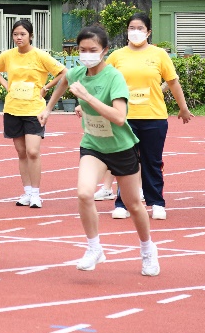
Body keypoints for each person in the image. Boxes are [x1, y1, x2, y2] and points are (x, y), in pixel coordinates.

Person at [40, 26, 160, 276]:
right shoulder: (77, 73)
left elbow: (119, 117)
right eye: (82, 50)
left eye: (92, 50)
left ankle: (148, 250)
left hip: (121, 147)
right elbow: (64, 81)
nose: (87, 55)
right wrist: (48, 108)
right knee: (84, 194)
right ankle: (94, 248)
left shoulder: (114, 77)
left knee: (134, 204)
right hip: (93, 145)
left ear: (105, 51)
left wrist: (88, 99)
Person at [106, 13, 193, 221]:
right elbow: (104, 83)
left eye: (140, 28)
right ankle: (123, 203)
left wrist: (183, 108)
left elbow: (172, 82)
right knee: (125, 162)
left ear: (149, 32)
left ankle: (156, 202)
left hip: (153, 117)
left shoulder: (159, 54)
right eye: (131, 28)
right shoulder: (117, 56)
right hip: (124, 118)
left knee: (152, 162)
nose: (135, 32)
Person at [0, 19, 65, 208]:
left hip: (34, 110)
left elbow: (63, 72)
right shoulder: (8, 55)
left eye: (23, 34)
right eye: (15, 34)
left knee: (32, 151)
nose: (19, 37)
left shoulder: (40, 55)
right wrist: (6, 84)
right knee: (21, 152)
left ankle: (37, 194)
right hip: (13, 108)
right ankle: (27, 192)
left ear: (31, 36)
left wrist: (46, 87)